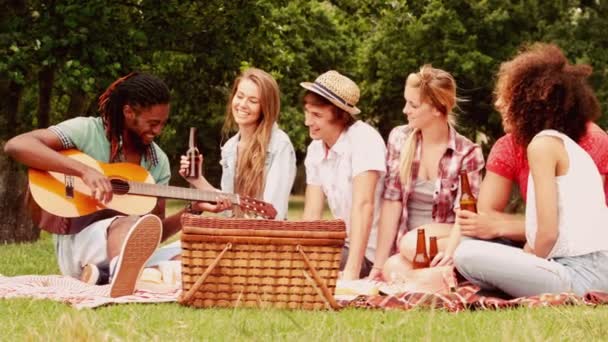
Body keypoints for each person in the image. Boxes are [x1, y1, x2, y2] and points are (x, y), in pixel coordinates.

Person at [3, 72, 197, 297]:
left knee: (191, 256)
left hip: (129, 251)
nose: (158, 131)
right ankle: (130, 280)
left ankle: (105, 276)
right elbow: (18, 145)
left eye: (163, 123)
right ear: (128, 112)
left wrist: (192, 211)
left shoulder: (157, 161)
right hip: (77, 244)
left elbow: (152, 234)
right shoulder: (87, 131)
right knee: (126, 223)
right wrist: (84, 171)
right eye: (152, 123)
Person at [454, 43, 608, 297]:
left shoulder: (542, 145)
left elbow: (547, 234)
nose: (499, 103)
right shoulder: (560, 144)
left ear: (529, 101)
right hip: (588, 268)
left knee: (466, 254)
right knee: (474, 246)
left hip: (582, 274)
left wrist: (528, 259)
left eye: (508, 95)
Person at [368, 65, 485, 281]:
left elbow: (465, 216)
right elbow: (391, 203)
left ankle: (446, 270)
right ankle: (437, 279)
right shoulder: (399, 139)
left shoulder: (467, 153)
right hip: (406, 248)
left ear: (436, 109)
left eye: (413, 104)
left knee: (413, 245)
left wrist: (450, 254)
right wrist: (378, 265)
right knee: (392, 271)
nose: (405, 110)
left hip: (445, 243)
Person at [300, 70, 386, 280]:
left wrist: (351, 273)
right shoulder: (316, 149)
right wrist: (300, 250)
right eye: (307, 112)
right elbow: (311, 216)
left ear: (340, 115)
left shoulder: (364, 139)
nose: (307, 122)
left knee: (302, 267)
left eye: (317, 116)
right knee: (284, 258)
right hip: (341, 243)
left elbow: (364, 206)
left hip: (369, 251)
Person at [179, 67, 296, 219]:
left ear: (266, 108)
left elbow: (274, 213)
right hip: (235, 233)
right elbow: (229, 206)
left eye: (253, 100)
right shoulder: (230, 148)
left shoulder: (279, 145)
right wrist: (197, 180)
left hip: (266, 238)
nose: (242, 105)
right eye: (240, 96)